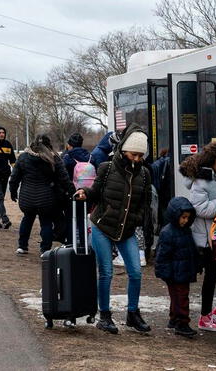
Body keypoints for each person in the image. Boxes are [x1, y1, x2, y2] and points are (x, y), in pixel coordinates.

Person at [74, 124, 152, 334]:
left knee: (135, 272)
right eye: (133, 154)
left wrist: (136, 219)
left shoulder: (144, 174)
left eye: (140, 155)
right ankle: (105, 315)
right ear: (124, 149)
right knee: (106, 272)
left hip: (126, 229)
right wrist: (84, 193)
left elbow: (144, 205)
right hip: (102, 225)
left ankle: (133, 314)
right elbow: (96, 191)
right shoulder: (107, 168)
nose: (136, 158)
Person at [179, 141, 216, 332]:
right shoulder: (203, 180)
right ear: (215, 159)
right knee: (211, 276)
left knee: (214, 274)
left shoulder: (213, 177)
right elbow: (201, 209)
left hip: (211, 236)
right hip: (205, 239)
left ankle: (210, 313)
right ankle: (204, 317)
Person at [9, 134, 74, 256]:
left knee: (27, 219)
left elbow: (14, 178)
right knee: (46, 222)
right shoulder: (54, 158)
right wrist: (72, 192)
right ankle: (45, 250)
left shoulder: (23, 157)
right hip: (46, 199)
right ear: (49, 145)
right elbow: (64, 178)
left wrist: (13, 192)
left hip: (27, 198)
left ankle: (22, 246)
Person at [155, 196, 200, 338]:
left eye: (187, 218)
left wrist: (196, 264)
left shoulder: (185, 231)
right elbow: (162, 255)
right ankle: (182, 322)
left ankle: (175, 319)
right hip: (175, 272)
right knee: (181, 297)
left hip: (181, 270)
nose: (185, 220)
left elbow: (191, 250)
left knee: (177, 297)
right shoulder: (168, 232)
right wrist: (164, 271)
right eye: (183, 217)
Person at [61, 133, 91, 245]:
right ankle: (84, 244)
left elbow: (62, 175)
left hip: (72, 193)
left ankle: (71, 244)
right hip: (87, 193)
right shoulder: (90, 157)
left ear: (70, 145)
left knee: (70, 220)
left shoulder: (68, 157)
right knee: (83, 219)